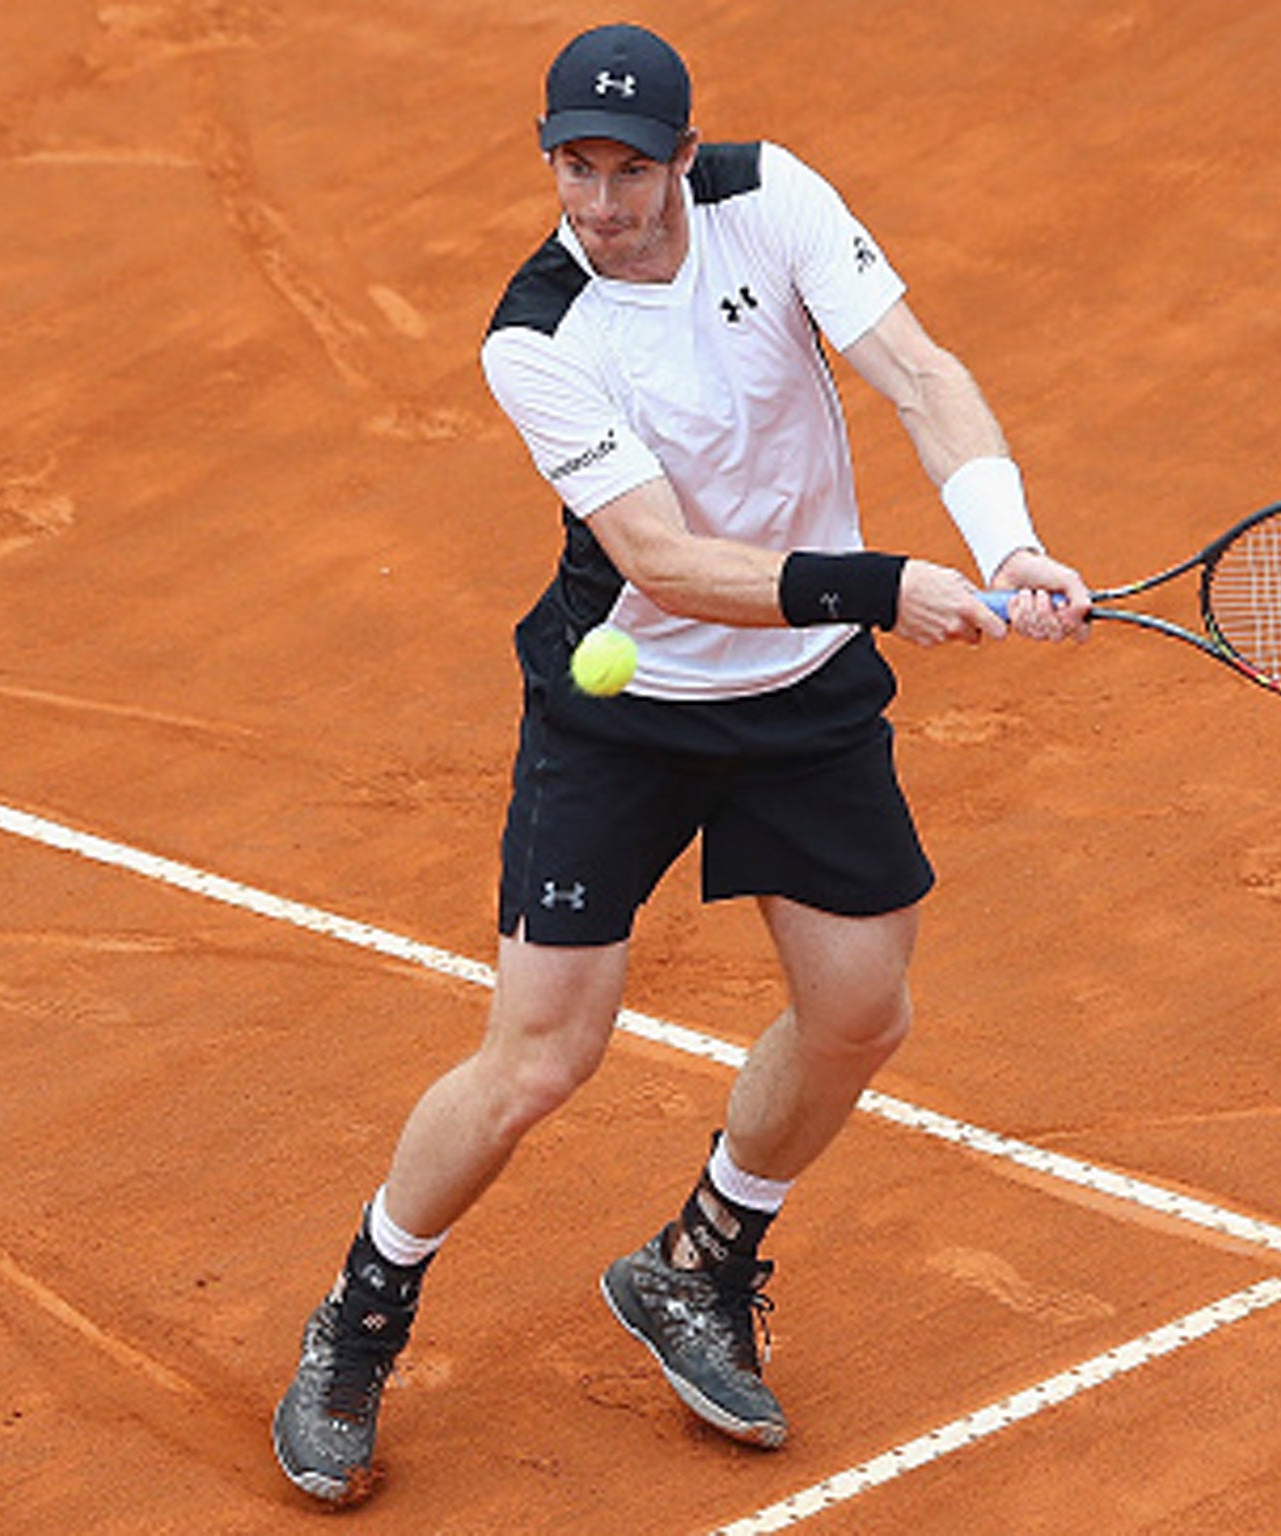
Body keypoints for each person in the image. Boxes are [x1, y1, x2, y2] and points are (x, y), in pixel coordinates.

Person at [272, 21, 1090, 1505]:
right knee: (541, 1057)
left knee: (859, 1013)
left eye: (629, 170)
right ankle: (361, 1315)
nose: (600, 202)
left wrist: (1006, 538)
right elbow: (660, 556)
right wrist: (882, 584)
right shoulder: (536, 334)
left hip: (802, 699)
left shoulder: (773, 200)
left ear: (683, 161)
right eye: (573, 168)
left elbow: (916, 368)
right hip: (626, 706)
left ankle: (698, 1260)